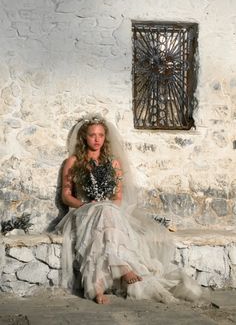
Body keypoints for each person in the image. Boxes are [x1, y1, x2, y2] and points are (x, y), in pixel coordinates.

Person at [56, 114, 207, 305]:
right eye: (92, 135)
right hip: (84, 211)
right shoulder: (73, 161)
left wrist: (105, 205)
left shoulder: (113, 163)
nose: (96, 139)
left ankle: (98, 287)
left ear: (105, 137)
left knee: (107, 214)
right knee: (102, 215)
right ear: (84, 137)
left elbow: (117, 198)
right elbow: (66, 195)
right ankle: (123, 269)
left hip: (109, 211)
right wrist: (86, 205)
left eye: (101, 135)